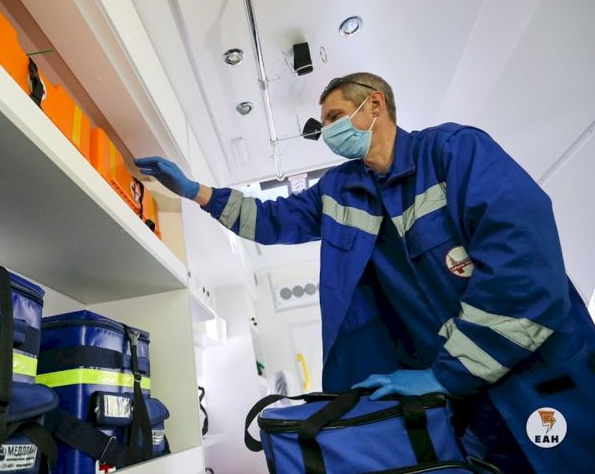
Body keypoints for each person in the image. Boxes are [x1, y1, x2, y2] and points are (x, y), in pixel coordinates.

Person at [135, 73, 595, 473]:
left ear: (375, 104)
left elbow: (523, 265)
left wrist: (447, 374)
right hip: (454, 400)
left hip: (535, 376)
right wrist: (198, 192)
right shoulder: (340, 188)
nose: (328, 132)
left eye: (335, 116)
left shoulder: (453, 151)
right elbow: (272, 219)